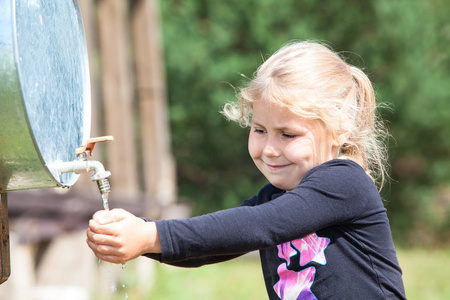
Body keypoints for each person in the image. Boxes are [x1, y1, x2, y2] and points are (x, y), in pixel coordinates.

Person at [86, 41, 406, 299]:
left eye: (288, 134)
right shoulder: (272, 199)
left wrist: (149, 235)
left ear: (340, 129)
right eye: (259, 130)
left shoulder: (345, 181)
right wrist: (141, 235)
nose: (269, 148)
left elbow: (260, 225)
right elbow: (218, 243)